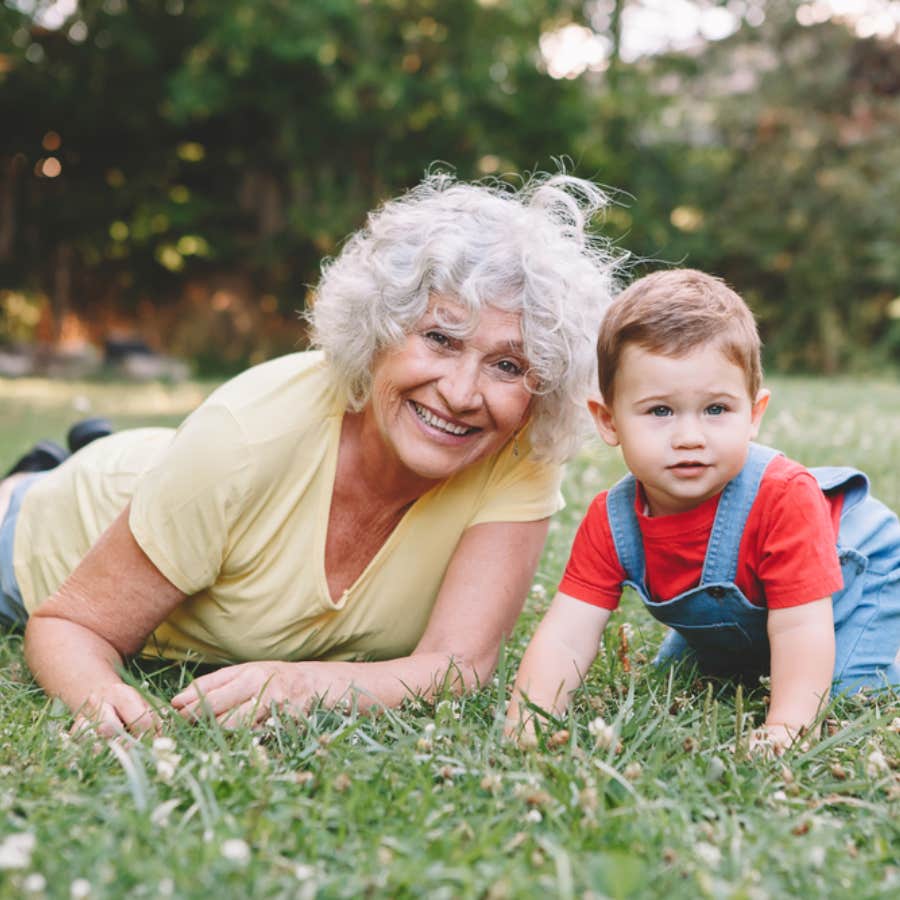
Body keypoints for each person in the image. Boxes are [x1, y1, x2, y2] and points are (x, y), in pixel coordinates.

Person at [0, 172, 619, 737]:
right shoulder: (248, 434)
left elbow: (459, 665)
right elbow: (69, 625)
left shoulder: (516, 448)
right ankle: (38, 475)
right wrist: (101, 695)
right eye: (439, 338)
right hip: (41, 529)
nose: (461, 394)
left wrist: (309, 684)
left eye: (508, 365)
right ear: (379, 329)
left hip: (183, 481)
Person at [507, 268, 900, 752]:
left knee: (843, 690)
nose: (689, 436)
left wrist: (787, 728)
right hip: (762, 613)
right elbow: (567, 633)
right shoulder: (612, 520)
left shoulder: (783, 496)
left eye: (716, 409)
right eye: (660, 411)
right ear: (608, 422)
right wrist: (530, 720)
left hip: (853, 586)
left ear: (753, 415)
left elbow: (801, 625)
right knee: (682, 680)